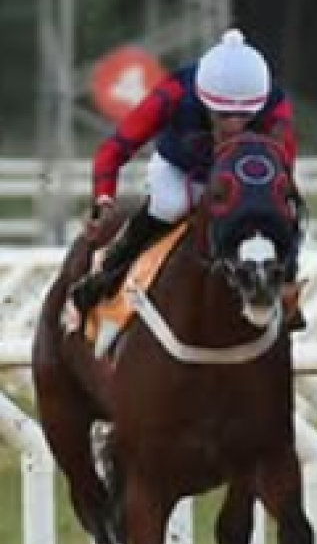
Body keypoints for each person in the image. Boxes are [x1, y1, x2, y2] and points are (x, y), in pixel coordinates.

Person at [70, 29, 301, 324]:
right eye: (221, 115)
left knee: (284, 211)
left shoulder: (275, 102)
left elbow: (284, 166)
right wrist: (103, 198)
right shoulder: (175, 91)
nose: (233, 126)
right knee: (169, 206)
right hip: (180, 170)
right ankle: (105, 275)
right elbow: (114, 149)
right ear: (204, 100)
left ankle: (288, 286)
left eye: (245, 117)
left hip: (238, 177)